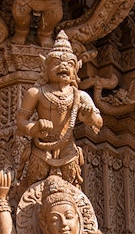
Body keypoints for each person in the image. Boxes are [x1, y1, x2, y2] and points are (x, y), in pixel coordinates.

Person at [17, 31, 103, 187]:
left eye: (69, 64)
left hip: (67, 150)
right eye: (56, 63)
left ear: (76, 70)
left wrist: (89, 117)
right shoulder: (35, 93)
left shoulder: (80, 95)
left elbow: (98, 122)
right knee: (34, 186)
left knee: (69, 189)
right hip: (41, 149)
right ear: (45, 67)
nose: (63, 66)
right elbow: (21, 121)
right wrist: (33, 129)